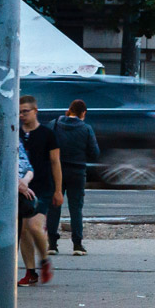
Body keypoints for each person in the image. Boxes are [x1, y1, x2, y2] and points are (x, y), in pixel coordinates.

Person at [17, 95, 62, 286]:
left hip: (42, 186)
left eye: (25, 111)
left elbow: (55, 162)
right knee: (24, 231)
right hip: (21, 186)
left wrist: (58, 190)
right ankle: (30, 271)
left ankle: (44, 259)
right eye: (18, 112)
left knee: (34, 226)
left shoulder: (47, 134)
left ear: (35, 111)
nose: (21, 115)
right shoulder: (15, 133)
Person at [48, 99, 98, 256]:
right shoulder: (86, 128)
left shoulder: (54, 124)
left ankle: (52, 244)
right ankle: (77, 245)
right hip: (77, 172)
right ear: (83, 113)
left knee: (54, 206)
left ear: (69, 110)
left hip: (56, 171)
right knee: (76, 208)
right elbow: (95, 153)